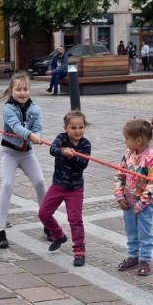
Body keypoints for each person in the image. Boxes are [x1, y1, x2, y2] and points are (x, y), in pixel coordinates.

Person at [0, 72, 48, 249]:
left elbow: (38, 129)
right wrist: (31, 135)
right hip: (9, 153)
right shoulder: (7, 108)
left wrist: (38, 136)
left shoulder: (36, 109)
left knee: (40, 182)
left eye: (25, 89)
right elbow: (16, 127)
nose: (22, 93)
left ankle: (47, 222)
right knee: (7, 185)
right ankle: (1, 229)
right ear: (11, 91)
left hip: (27, 154)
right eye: (18, 89)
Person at [38, 110, 91, 266]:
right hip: (58, 185)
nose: (77, 131)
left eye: (81, 127)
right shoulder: (61, 138)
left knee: (75, 220)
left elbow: (84, 165)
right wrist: (63, 152)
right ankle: (58, 235)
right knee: (43, 213)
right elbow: (52, 150)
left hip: (75, 189)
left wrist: (74, 156)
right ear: (66, 128)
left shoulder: (85, 144)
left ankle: (79, 250)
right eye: (73, 127)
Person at [114, 118, 153, 276]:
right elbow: (120, 174)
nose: (125, 142)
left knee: (144, 231)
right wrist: (119, 195)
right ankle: (133, 256)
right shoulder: (128, 154)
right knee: (130, 230)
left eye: (127, 139)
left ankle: (145, 259)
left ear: (139, 140)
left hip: (144, 205)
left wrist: (142, 204)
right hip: (128, 202)